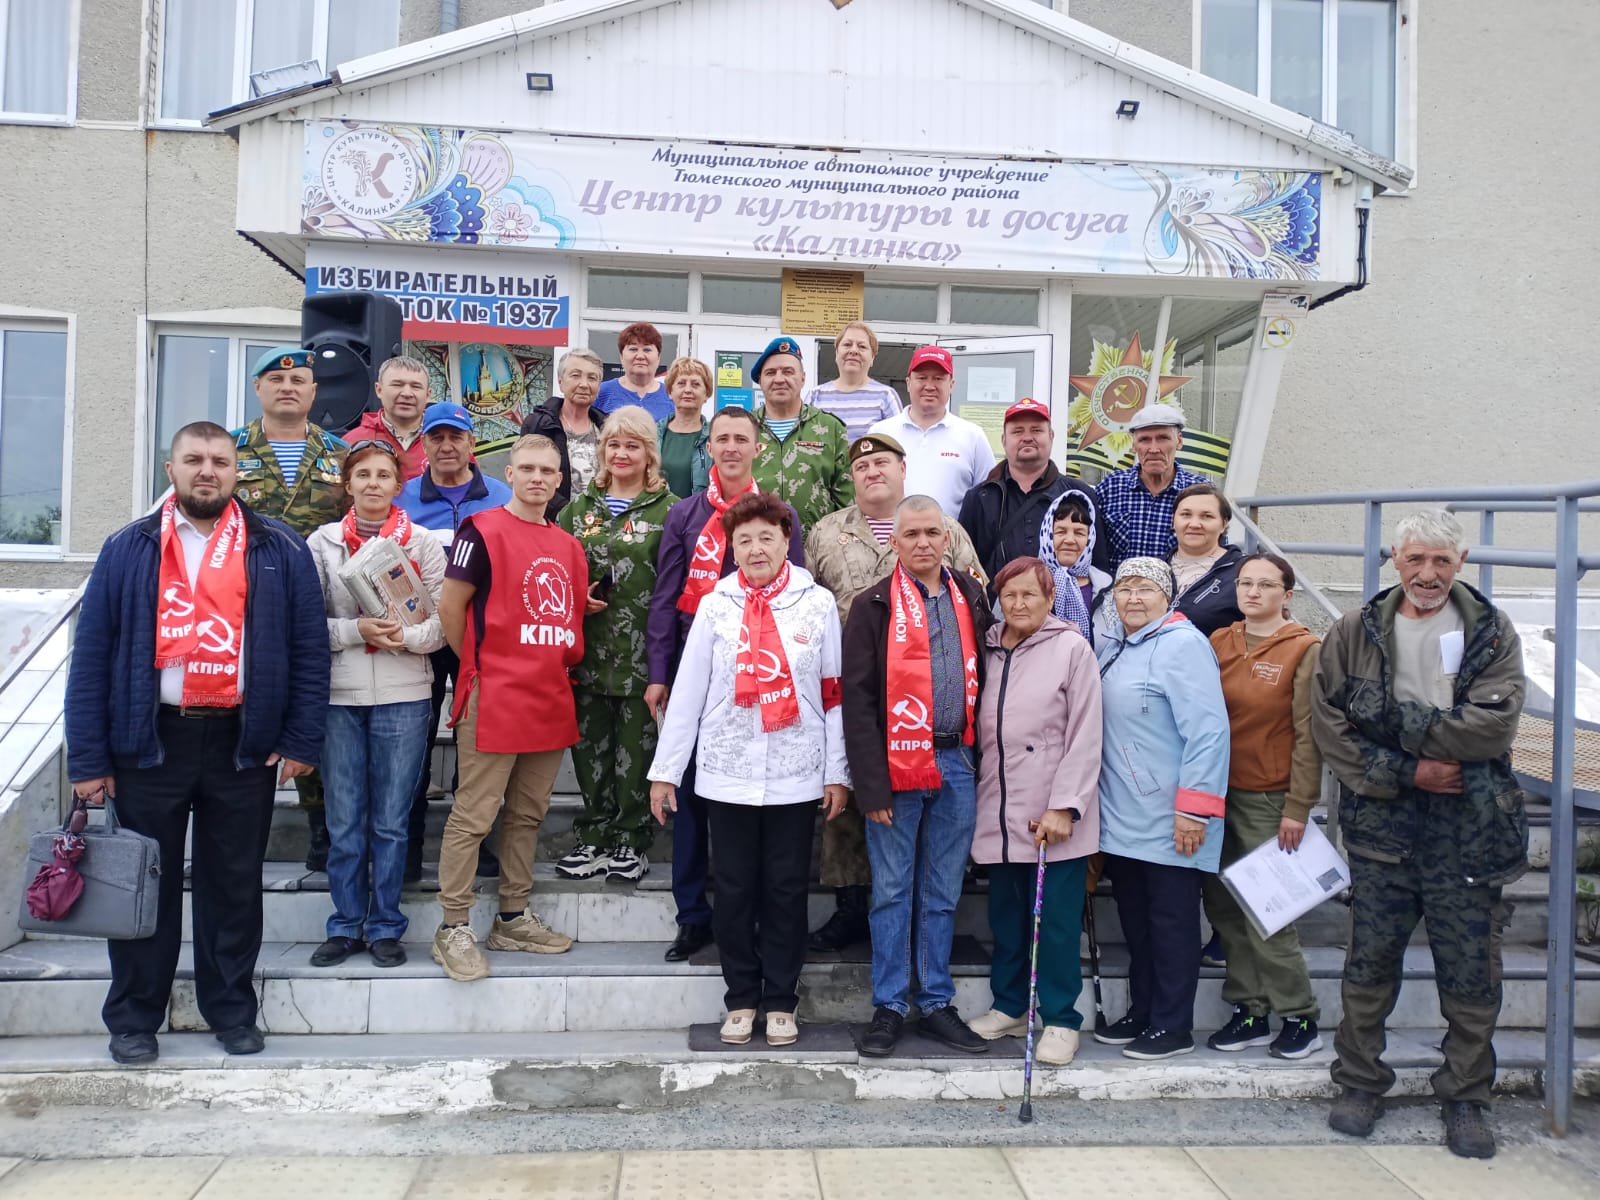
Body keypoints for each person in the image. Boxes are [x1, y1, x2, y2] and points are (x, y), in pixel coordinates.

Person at [64, 420, 327, 1065]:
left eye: (219, 460)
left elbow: (309, 651)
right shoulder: (129, 548)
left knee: (232, 884)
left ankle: (231, 1010)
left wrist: (300, 738)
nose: (207, 470)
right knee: (143, 886)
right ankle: (134, 1018)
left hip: (244, 745)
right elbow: (91, 654)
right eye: (193, 460)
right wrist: (89, 757)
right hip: (149, 744)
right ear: (170, 469)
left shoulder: (278, 548)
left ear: (238, 472)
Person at [1312, 510, 1526, 1160]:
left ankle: (1465, 1096)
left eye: (1440, 561)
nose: (1427, 574)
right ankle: (1359, 1082)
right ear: (1395, 561)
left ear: (1459, 563)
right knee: (1369, 965)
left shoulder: (1492, 631)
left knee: (1469, 974)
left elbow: (1489, 729)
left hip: (1470, 827)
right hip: (1384, 827)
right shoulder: (1355, 631)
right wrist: (1411, 770)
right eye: (1416, 561)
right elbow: (1329, 723)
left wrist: (1382, 718)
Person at [648, 493, 849, 1047]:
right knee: (733, 889)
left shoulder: (818, 604)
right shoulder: (715, 604)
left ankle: (782, 998)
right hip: (727, 770)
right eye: (744, 540)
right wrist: (666, 772)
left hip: (795, 770)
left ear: (787, 541)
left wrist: (838, 772)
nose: (756, 548)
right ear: (730, 549)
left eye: (767, 537)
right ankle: (741, 998)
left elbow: (833, 693)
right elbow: (687, 693)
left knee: (785, 888)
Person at [803, 433, 984, 952]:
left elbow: (976, 593)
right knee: (851, 803)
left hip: (932, 699)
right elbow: (809, 607)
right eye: (862, 466)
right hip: (851, 687)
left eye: (882, 462)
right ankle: (849, 908)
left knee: (916, 826)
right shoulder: (826, 531)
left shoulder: (943, 529)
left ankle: (919, 929)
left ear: (904, 468)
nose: (872, 472)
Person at [645, 406, 805, 962]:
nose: (731, 447)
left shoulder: (781, 516)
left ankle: (755, 915)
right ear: (707, 447)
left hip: (767, 676)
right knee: (689, 795)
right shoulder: (684, 515)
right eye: (722, 439)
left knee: (755, 807)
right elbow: (664, 598)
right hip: (698, 678)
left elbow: (797, 594)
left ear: (757, 448)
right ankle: (692, 915)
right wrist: (660, 673)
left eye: (742, 438)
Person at [841, 495, 993, 1056]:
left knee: (942, 889)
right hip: (895, 763)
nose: (923, 542)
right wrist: (870, 783)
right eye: (912, 535)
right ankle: (889, 1005)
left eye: (932, 532)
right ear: (895, 543)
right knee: (892, 889)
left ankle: (934, 1001)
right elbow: (856, 702)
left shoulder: (971, 595)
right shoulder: (872, 605)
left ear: (947, 538)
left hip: (957, 761)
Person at [432, 434, 587, 981]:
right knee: (474, 815)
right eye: (527, 468)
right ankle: (453, 925)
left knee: (528, 814)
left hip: (548, 695)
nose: (538, 478)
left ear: (560, 479)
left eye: (548, 470)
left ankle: (513, 916)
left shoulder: (569, 546)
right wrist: (479, 664)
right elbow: (452, 609)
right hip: (495, 694)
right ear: (509, 472)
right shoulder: (481, 531)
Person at [306, 440, 446, 969]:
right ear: (348, 484)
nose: (371, 483)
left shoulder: (425, 544)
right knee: (345, 820)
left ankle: (385, 924)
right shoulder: (321, 544)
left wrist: (402, 639)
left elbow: (440, 625)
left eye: (382, 474)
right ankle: (344, 925)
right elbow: (304, 623)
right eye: (361, 474)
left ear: (398, 484)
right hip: (339, 696)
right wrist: (353, 630)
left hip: (405, 693)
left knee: (390, 821)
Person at [1093, 557, 1229, 1061]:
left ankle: (1173, 1024)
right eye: (1124, 587)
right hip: (1124, 815)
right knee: (1137, 922)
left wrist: (1194, 808)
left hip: (1172, 814)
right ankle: (1144, 1010)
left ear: (1166, 596)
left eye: (1145, 588)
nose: (1132, 597)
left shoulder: (1183, 645)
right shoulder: (1117, 646)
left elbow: (1209, 730)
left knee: (1171, 923)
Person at [970, 557, 1102, 1066]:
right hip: (999, 805)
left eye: (1031, 594)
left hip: (1052, 812)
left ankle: (1062, 1018)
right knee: (1006, 918)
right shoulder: (988, 647)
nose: (1019, 604)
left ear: (1051, 599)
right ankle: (1009, 1006)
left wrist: (1065, 806)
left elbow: (1086, 733)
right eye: (1009, 595)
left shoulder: (1071, 648)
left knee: (1055, 923)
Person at [1202, 553, 1323, 1059]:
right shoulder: (1218, 641)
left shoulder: (1305, 649)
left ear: (1286, 594)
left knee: (1269, 909)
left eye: (1265, 585)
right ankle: (1249, 1009)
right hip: (1214, 792)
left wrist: (1298, 806)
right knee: (1225, 909)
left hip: (1268, 795)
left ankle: (1300, 1014)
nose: (1252, 592)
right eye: (1245, 583)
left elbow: (1309, 735)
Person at [232, 346, 348, 873]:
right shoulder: (229, 453)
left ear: (313, 392)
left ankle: (321, 831)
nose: (288, 388)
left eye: (300, 380)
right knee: (243, 721)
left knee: (310, 717)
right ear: (258, 389)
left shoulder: (339, 456)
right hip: (243, 610)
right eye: (277, 381)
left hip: (315, 611)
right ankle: (234, 836)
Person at [556, 405, 679, 884]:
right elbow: (553, 574)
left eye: (633, 445)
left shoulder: (671, 510)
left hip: (642, 658)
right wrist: (572, 600)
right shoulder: (576, 510)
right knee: (590, 753)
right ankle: (594, 835)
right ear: (602, 451)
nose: (622, 453)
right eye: (613, 444)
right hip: (585, 655)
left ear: (649, 453)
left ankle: (631, 840)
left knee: (635, 754)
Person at [397, 401, 513, 882]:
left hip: (482, 639)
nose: (447, 446)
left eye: (456, 437)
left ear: (471, 443)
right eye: (437, 438)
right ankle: (407, 848)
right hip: (421, 638)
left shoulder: (502, 495)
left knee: (478, 745)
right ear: (423, 445)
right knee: (413, 743)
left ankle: (480, 841)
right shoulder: (402, 497)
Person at [958, 397, 1105, 594]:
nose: (1027, 437)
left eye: (1036, 430)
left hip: (1063, 617)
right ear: (1003, 440)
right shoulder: (979, 498)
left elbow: (1099, 568)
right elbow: (963, 567)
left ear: (1051, 436)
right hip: (997, 617)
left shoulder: (1079, 495)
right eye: (1017, 431)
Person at [867, 346, 995, 519]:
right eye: (921, 378)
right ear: (908, 383)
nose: (929, 386)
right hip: (890, 542)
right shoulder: (880, 433)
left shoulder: (973, 436)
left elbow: (988, 500)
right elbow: (866, 492)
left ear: (951, 385)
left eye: (938, 378)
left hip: (951, 544)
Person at [750, 335, 853, 531]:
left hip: (815, 548)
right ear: (761, 381)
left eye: (788, 372)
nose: (779, 379)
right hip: (756, 545)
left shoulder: (831, 428)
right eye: (771, 373)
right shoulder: (743, 428)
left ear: (803, 378)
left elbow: (846, 500)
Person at [1093, 403, 1210, 569]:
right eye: (1144, 440)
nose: (1154, 449)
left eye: (1163, 438)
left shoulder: (1201, 493)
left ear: (1179, 441)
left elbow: (1218, 553)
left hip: (1181, 593)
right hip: (1118, 593)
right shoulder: (1111, 487)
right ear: (1134, 445)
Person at [519, 348, 608, 513]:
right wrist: (568, 515)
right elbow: (529, 476)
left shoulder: (608, 428)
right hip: (551, 521)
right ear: (560, 381)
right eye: (575, 375)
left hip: (600, 526)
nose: (584, 384)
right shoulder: (538, 426)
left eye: (592, 378)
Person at [806, 320, 902, 441]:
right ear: (836, 353)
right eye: (847, 344)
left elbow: (898, 443)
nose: (853, 351)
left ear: (872, 357)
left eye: (862, 346)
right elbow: (803, 442)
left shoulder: (886, 396)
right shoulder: (815, 395)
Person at [1170, 483, 1244, 637]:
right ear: (1173, 520)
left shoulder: (1244, 571)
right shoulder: (1153, 568)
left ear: (1223, 524)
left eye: (1207, 516)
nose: (1194, 524)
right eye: (1186, 514)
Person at [1037, 491, 1111, 643]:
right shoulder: (1022, 580)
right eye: (1060, 531)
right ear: (1046, 534)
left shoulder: (1110, 587)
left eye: (1079, 533)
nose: (1070, 540)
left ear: (1090, 538)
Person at [347, 355, 431, 480]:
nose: (407, 393)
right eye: (397, 385)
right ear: (379, 390)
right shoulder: (352, 442)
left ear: (428, 394)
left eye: (416, 386)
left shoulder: (445, 442)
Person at [657, 356, 713, 499]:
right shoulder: (651, 434)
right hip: (657, 518)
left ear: (707, 394)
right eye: (681, 383)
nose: (688, 390)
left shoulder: (716, 437)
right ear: (670, 392)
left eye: (695, 384)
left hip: (699, 518)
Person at [595, 322, 672, 420]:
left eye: (647, 350)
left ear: (658, 357)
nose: (640, 356)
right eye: (633, 349)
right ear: (621, 356)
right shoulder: (601, 392)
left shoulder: (672, 396)